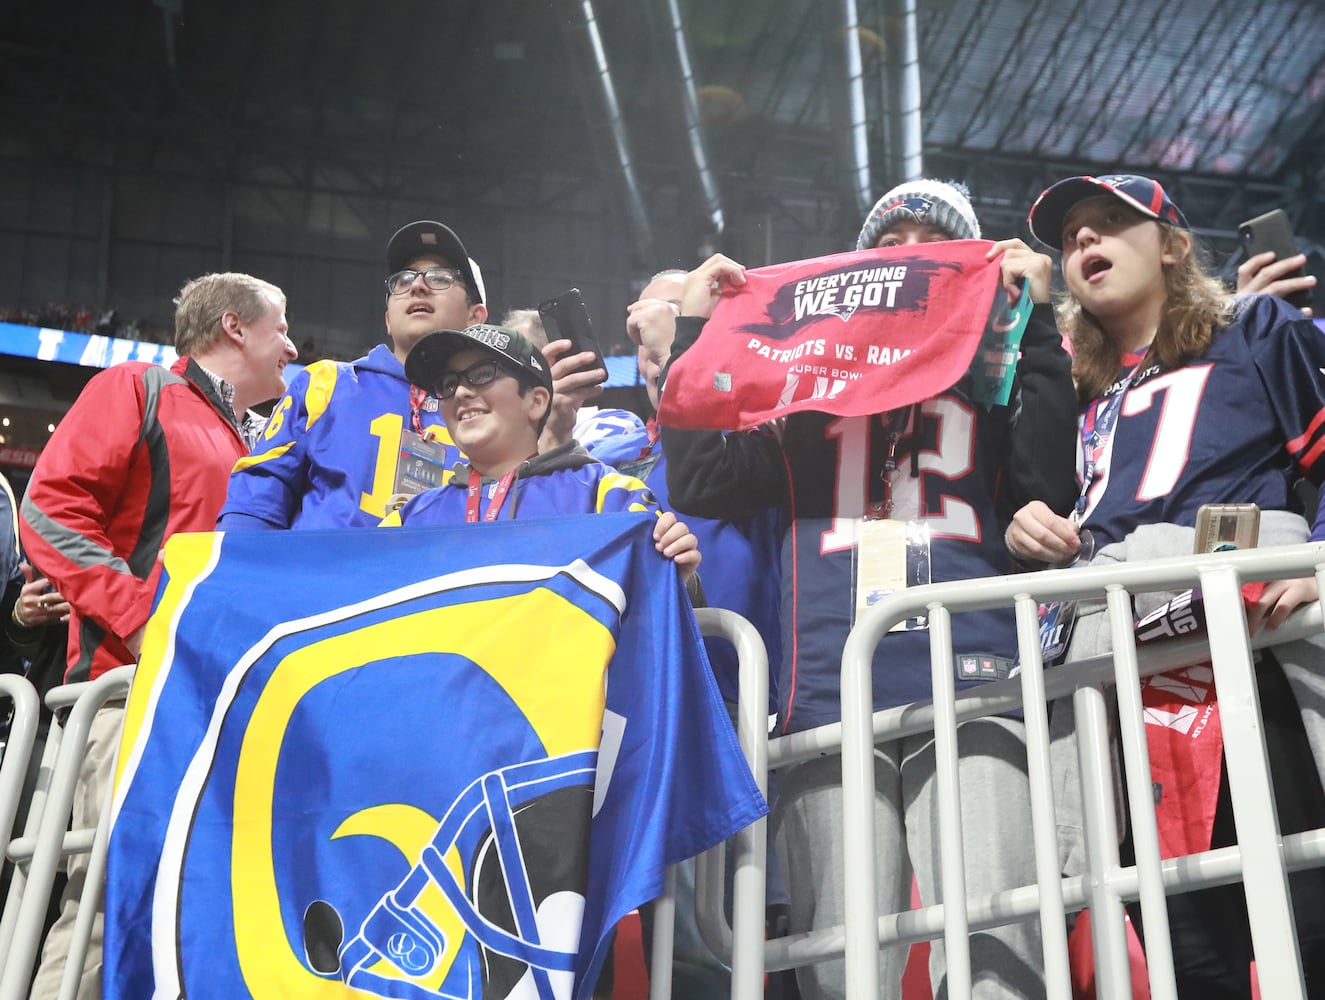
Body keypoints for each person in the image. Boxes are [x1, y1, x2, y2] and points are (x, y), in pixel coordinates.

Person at [652, 179, 1080, 998]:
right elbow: (701, 481)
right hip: (828, 689)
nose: (909, 252)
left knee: (998, 940)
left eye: (933, 241)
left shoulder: (991, 385)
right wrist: (700, 333)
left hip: (973, 680)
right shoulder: (800, 398)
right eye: (889, 242)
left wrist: (1035, 326)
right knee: (841, 963)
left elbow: (1046, 480)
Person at [1008, 173, 1325, 999]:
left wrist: (1317, 554)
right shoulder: (1066, 395)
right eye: (1070, 236)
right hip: (1108, 671)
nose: (1082, 244)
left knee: (1306, 912)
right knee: (1182, 943)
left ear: (1173, 245)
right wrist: (1025, 530)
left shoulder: (1253, 326)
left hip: (1245, 651)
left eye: (1108, 224)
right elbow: (1033, 507)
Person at [18, 270, 294, 1000]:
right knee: (107, 909)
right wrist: (147, 624)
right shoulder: (137, 388)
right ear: (235, 327)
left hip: (223, 707)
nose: (292, 349)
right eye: (281, 327)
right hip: (128, 698)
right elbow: (49, 512)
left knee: (200, 916)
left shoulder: (262, 443)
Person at [382, 323, 700, 586]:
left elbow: (654, 618)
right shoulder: (408, 519)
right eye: (448, 383)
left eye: (481, 375)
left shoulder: (608, 497)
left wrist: (681, 578)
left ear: (536, 402)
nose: (461, 392)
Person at [218, 221, 486, 530]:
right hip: (320, 576)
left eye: (440, 277)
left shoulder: (489, 413)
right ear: (388, 319)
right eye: (402, 280)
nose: (417, 286)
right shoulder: (325, 384)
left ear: (475, 317)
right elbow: (256, 501)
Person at [499, 305, 644, 452]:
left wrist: (556, 435)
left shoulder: (609, 425)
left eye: (509, 366)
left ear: (555, 364)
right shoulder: (492, 438)